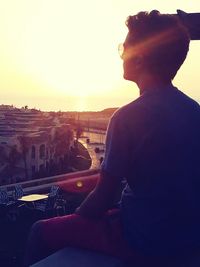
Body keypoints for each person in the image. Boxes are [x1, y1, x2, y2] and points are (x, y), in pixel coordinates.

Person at [25, 10, 200, 266]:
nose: (121, 55)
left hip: (145, 240)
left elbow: (104, 196)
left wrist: (77, 217)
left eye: (124, 48)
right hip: (187, 236)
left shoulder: (128, 117)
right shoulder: (194, 110)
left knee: (39, 231)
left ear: (139, 58)